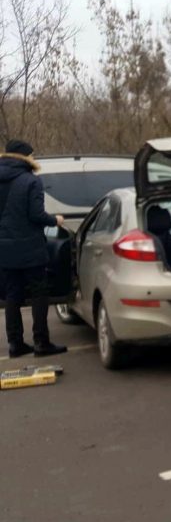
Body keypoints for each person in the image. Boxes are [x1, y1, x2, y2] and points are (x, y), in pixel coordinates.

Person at [0, 139, 67, 358]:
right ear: (24, 156)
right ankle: (41, 342)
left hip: (4, 248)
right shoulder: (31, 180)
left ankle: (15, 344)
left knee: (12, 295)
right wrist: (55, 220)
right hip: (30, 247)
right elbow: (36, 214)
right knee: (39, 293)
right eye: (32, 154)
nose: (34, 158)